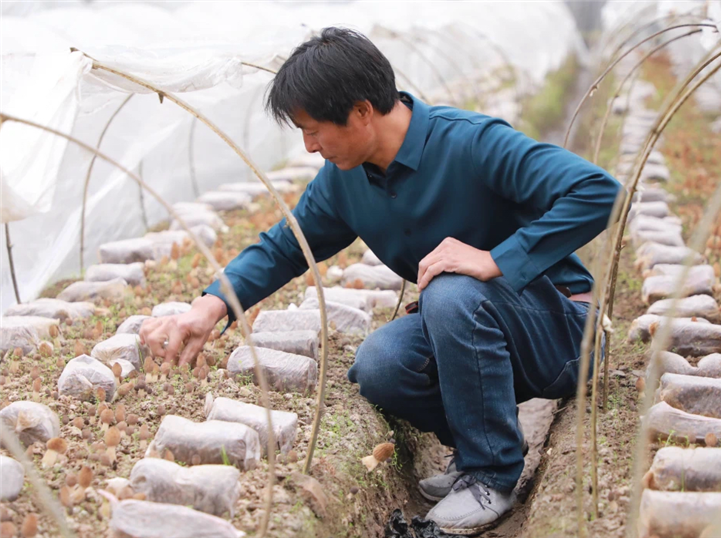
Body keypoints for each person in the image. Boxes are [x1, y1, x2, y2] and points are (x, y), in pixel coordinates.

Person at [139, 27, 621, 535]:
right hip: (475, 330)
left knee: (450, 291)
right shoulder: (344, 181)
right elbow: (285, 246)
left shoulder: (470, 143)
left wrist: (496, 259)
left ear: (363, 111)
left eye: (314, 130)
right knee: (382, 365)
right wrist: (209, 307)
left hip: (565, 330)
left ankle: (491, 475)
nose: (308, 146)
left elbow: (600, 191)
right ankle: (486, 439)